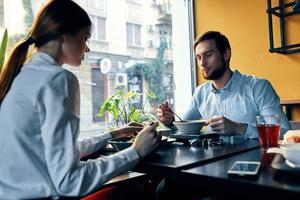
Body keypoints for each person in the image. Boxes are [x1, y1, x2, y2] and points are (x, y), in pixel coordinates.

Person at [0, 0, 161, 199]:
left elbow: (53, 152)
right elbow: (69, 181)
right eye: (85, 38)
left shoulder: (21, 76)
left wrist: (111, 134)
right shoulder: (57, 79)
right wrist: (135, 151)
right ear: (64, 34)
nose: (87, 49)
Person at [157, 31, 291, 140]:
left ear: (226, 54)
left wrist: (239, 129)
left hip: (254, 167)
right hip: (210, 166)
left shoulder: (259, 87)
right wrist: (169, 121)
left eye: (208, 55)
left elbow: (284, 133)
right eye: (198, 57)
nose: (202, 63)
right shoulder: (200, 93)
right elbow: (183, 129)